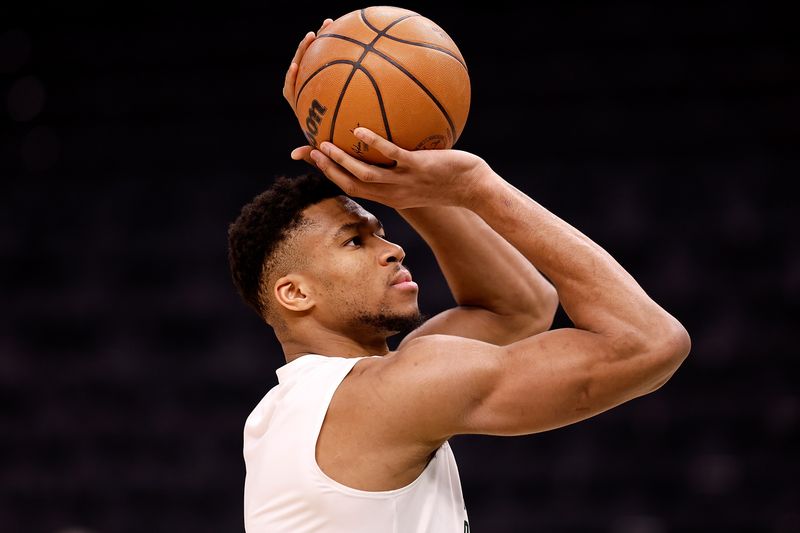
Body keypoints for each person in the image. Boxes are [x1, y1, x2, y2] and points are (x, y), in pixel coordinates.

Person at [227, 22, 691, 533]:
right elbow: (650, 344)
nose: (395, 247)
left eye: (382, 229)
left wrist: (392, 176)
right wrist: (475, 187)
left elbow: (519, 308)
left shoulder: (299, 409)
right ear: (295, 293)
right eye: (355, 240)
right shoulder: (387, 394)